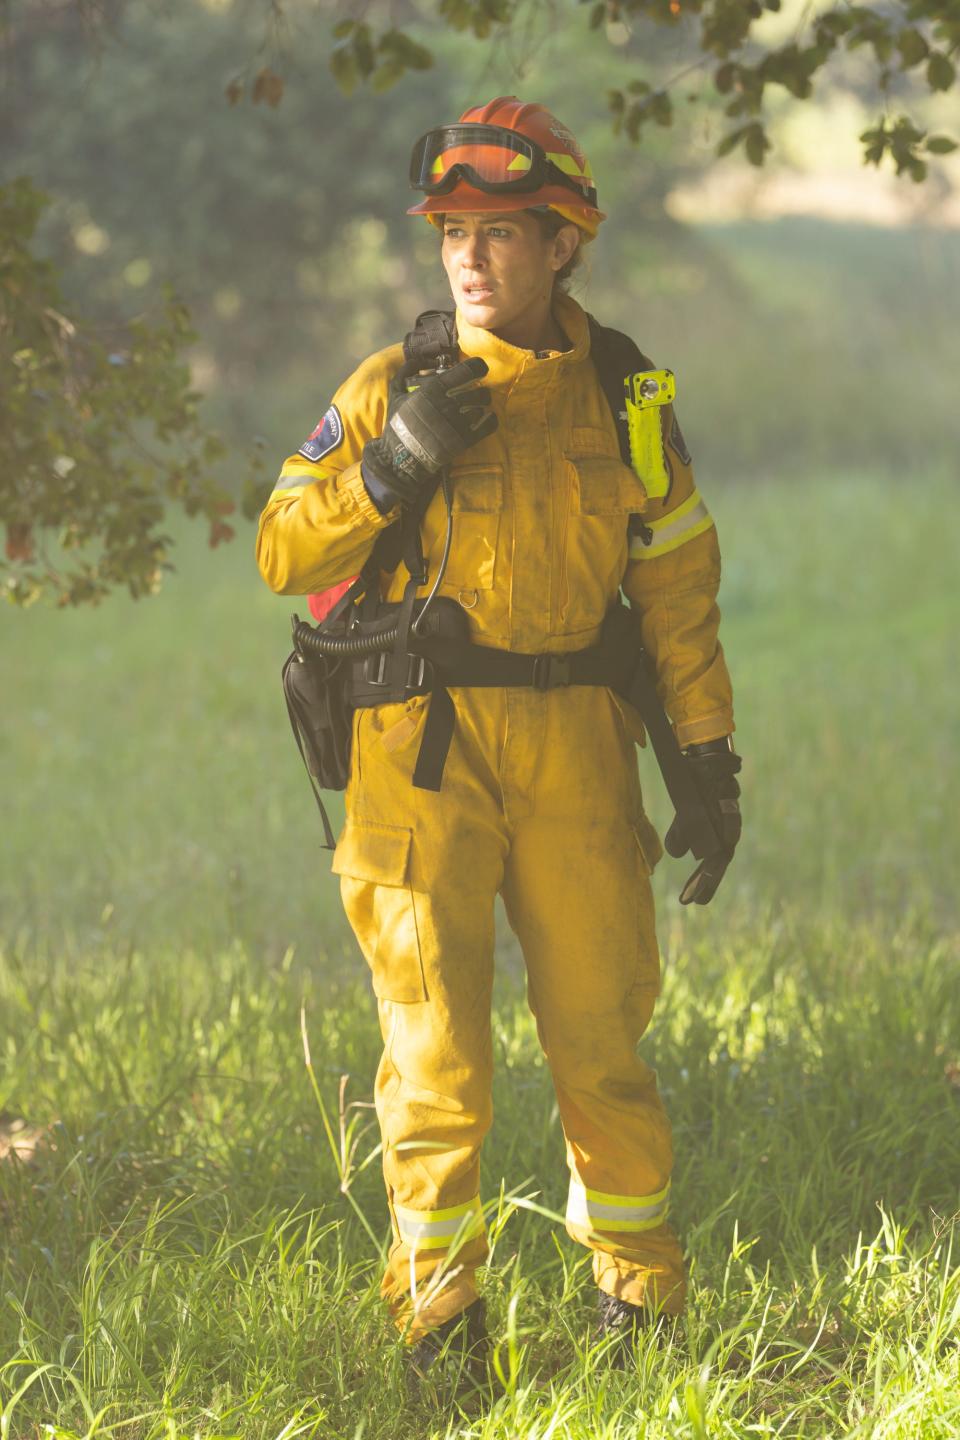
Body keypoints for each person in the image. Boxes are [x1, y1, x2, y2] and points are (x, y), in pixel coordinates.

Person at [256, 96, 739, 1374]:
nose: (470, 256)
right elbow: (278, 549)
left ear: (566, 239)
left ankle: (640, 1311)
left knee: (602, 1043)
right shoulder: (386, 385)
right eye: (452, 231)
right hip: (418, 755)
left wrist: (703, 752)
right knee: (435, 1060)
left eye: (502, 233)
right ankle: (441, 1330)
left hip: (579, 748)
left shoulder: (629, 390)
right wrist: (390, 468)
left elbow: (677, 584)